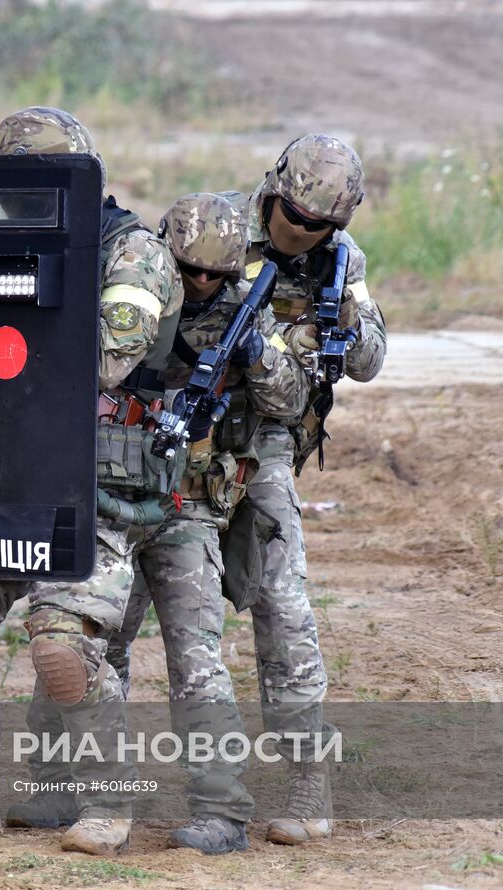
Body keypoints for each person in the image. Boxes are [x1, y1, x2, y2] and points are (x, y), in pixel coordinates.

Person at [0, 107, 184, 857]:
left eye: (41, 191)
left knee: (62, 650)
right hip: (2, 476)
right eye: (6, 192)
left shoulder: (135, 253)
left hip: (101, 493)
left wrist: (20, 295)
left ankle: (106, 801)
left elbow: (106, 359)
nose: (19, 207)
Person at [105, 193, 310, 853]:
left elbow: (289, 401)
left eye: (213, 274)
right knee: (89, 643)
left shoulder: (243, 313)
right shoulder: (132, 291)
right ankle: (68, 790)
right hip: (115, 498)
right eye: (187, 267)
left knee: (195, 656)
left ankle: (222, 811)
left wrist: (255, 351)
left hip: (186, 506)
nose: (198, 283)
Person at [241, 133, 387, 845]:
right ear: (272, 193)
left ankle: (306, 784)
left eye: (320, 226)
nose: (300, 234)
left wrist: (344, 312)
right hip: (183, 439)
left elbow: (370, 360)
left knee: (283, 604)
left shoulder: (340, 260)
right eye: (293, 218)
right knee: (115, 604)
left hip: (267, 443)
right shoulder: (216, 233)